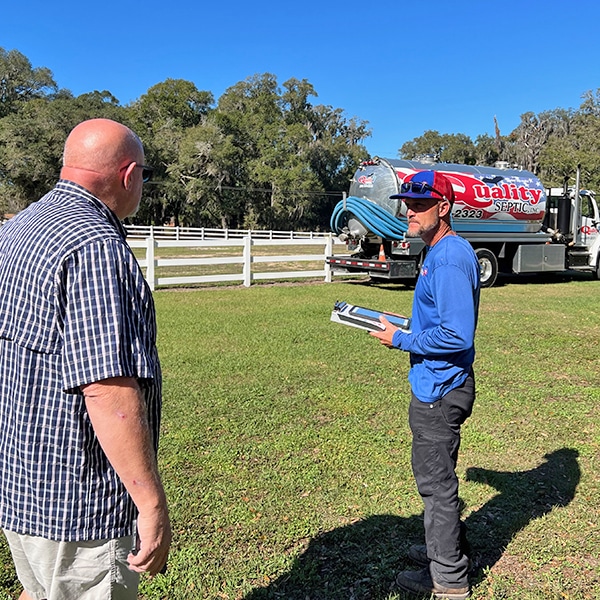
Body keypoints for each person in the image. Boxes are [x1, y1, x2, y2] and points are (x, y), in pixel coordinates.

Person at [0, 118, 171, 600]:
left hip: (20, 481)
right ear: (129, 174)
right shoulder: (96, 246)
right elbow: (107, 389)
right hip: (79, 501)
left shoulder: (20, 228)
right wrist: (150, 502)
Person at [370, 170, 480, 599]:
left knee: (436, 487)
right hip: (436, 382)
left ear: (444, 207)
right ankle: (444, 548)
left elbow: (457, 334)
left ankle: (449, 579)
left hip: (440, 389)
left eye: (419, 205)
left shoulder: (450, 256)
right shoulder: (436, 249)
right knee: (440, 479)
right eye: (407, 204)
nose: (409, 212)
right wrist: (407, 325)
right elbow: (440, 320)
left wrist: (401, 338)